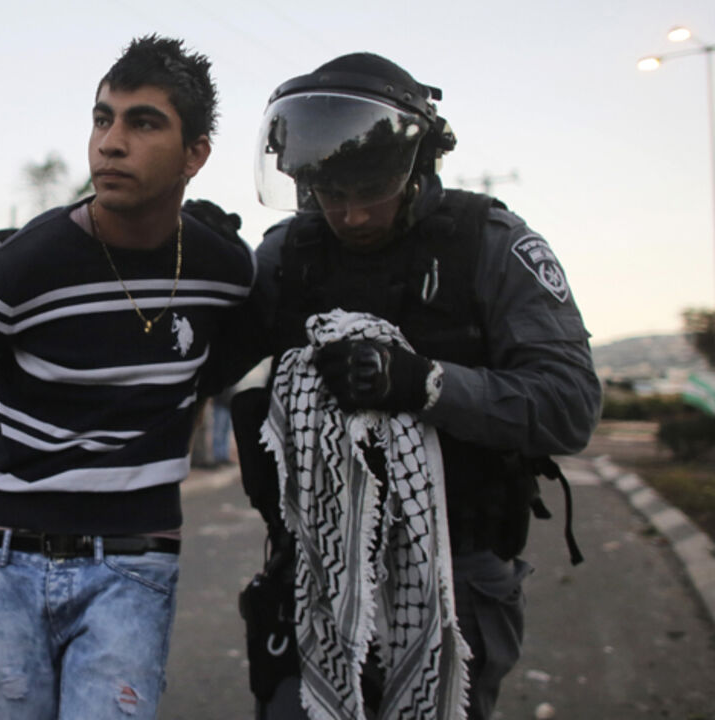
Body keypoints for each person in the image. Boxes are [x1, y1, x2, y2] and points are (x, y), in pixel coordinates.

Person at [0, 35, 255, 719]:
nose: (110, 143)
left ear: (196, 154)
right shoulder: (26, 264)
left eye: (142, 122)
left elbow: (230, 357)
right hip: (7, 563)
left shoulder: (222, 271)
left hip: (134, 562)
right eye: (102, 119)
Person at [236, 53, 602, 719]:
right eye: (329, 192)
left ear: (420, 163)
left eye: (368, 191)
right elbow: (203, 350)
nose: (350, 216)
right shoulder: (288, 253)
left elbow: (570, 406)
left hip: (454, 571)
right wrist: (197, 255)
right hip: (314, 569)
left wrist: (424, 384)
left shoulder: (488, 245)